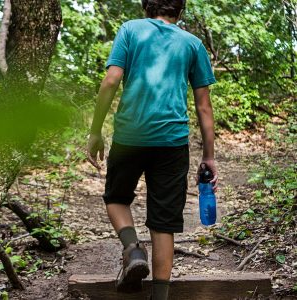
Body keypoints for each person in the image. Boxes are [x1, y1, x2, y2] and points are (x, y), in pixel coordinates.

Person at [87, 0, 218, 299]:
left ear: (146, 5)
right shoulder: (192, 43)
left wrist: (95, 130)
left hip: (129, 135)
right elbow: (203, 106)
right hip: (172, 142)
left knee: (117, 198)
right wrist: (209, 156)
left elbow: (111, 80)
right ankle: (160, 296)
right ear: (180, 10)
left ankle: (133, 249)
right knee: (163, 222)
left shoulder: (130, 30)